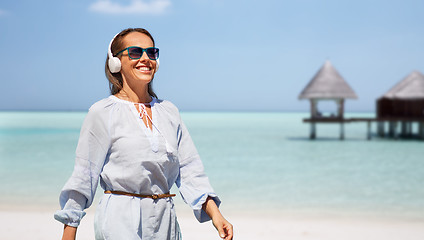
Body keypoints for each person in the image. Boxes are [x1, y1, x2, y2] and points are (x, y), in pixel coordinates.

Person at [54, 27, 233, 240]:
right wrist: (69, 231)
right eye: (136, 52)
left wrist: (216, 215)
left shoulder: (169, 111)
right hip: (119, 220)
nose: (146, 58)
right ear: (116, 62)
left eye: (152, 52)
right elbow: (84, 176)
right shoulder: (102, 112)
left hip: (165, 220)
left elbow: (189, 171)